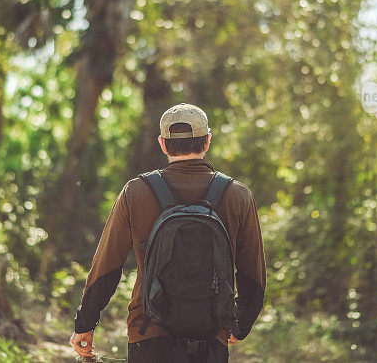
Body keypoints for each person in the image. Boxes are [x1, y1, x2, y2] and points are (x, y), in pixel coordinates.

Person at [69, 103, 266, 362]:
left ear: (163, 144)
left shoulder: (136, 191)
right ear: (207, 141)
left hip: (148, 332)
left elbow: (107, 266)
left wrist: (85, 323)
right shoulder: (238, 194)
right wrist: (241, 324)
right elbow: (253, 274)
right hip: (212, 333)